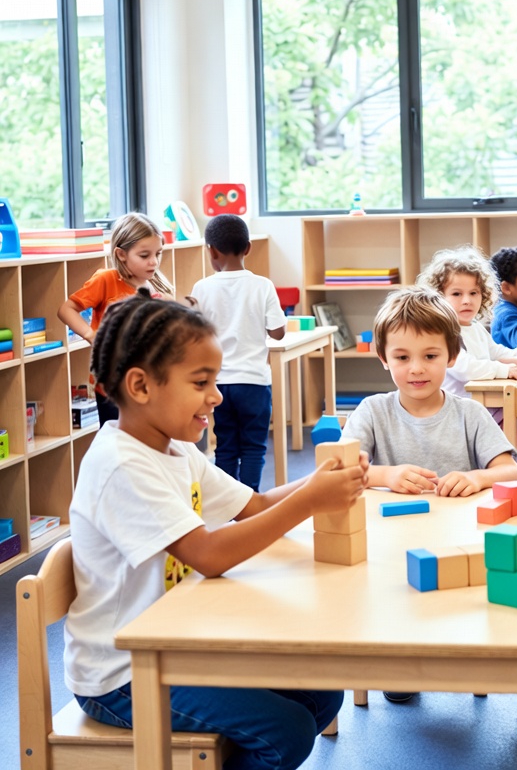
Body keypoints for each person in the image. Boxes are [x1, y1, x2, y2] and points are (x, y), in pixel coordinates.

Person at [64, 291, 368, 770]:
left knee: (322, 691)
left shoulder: (174, 447)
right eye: (201, 382)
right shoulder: (120, 464)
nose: (218, 396)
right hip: (121, 676)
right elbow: (206, 554)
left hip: (180, 643)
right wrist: (312, 499)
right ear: (141, 386)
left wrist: (323, 478)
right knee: (285, 731)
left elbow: (255, 505)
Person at [343, 286, 517, 733]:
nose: (416, 369)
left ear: (452, 356)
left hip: (470, 542)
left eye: (430, 356)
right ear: (383, 358)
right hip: (392, 548)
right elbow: (340, 469)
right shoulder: (372, 411)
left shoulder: (469, 413)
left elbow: (511, 473)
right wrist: (385, 475)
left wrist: (478, 477)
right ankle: (401, 663)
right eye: (402, 358)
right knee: (382, 591)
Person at [417, 245, 517, 471]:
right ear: (438, 297)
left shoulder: (474, 327)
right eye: (457, 294)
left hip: (490, 406)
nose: (467, 300)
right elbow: (465, 368)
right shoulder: (444, 332)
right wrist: (504, 371)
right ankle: (514, 481)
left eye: (473, 293)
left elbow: (498, 351)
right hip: (465, 415)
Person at [191, 214, 286, 490]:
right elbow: (277, 332)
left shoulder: (202, 287)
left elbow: (195, 334)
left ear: (211, 250)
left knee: (226, 445)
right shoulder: (262, 285)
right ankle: (251, 499)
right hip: (254, 382)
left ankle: (228, 501)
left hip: (217, 385)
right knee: (254, 447)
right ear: (248, 248)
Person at [58, 212, 174, 427]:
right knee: (118, 443)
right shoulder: (107, 280)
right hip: (112, 385)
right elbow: (67, 309)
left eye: (158, 253)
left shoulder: (157, 290)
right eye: (144, 255)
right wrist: (91, 334)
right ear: (121, 254)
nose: (154, 262)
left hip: (147, 384)